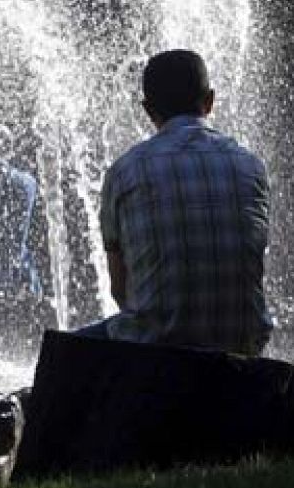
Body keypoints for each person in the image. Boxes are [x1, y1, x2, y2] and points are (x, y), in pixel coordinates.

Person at [84, 49, 274, 356]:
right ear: (210, 101)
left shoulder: (126, 170)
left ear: (147, 110)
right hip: (242, 346)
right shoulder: (251, 166)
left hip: (159, 350)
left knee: (67, 350)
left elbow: (121, 291)